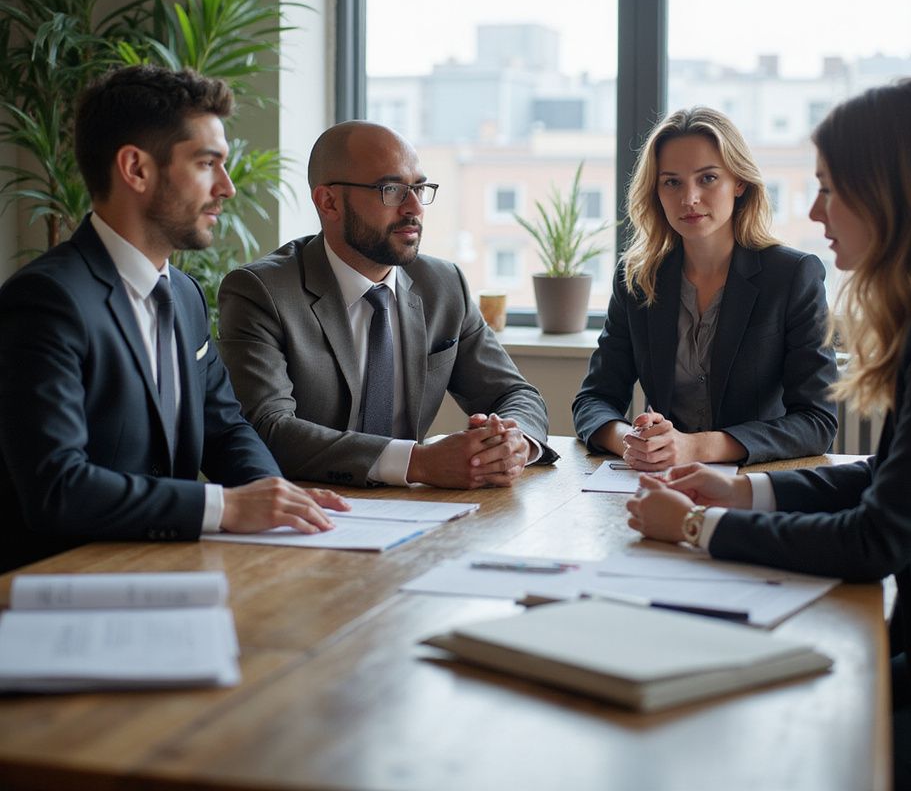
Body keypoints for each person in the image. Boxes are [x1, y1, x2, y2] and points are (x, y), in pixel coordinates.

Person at [626, 76, 911, 790]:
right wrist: (745, 492)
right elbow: (889, 471)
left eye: (830, 188)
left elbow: (878, 537)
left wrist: (698, 527)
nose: (815, 210)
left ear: (896, 193)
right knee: (756, 707)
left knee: (783, 758)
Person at [0, 66, 348, 574]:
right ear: (136, 169)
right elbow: (58, 487)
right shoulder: (46, 300)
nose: (227, 188)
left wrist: (275, 498)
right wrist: (225, 507)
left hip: (170, 568)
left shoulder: (183, 294)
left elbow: (224, 428)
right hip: (64, 585)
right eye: (208, 163)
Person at [217, 120, 556, 490]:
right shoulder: (261, 291)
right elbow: (268, 429)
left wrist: (512, 442)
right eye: (391, 189)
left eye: (419, 188)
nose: (414, 207)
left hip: (413, 514)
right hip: (304, 512)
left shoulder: (443, 285)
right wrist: (419, 463)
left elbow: (514, 394)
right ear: (328, 202)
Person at [573, 107, 836, 468]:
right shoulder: (636, 279)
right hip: (662, 482)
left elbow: (817, 422)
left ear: (739, 182)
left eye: (708, 178)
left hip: (758, 483)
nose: (689, 198)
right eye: (672, 182)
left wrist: (696, 447)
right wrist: (632, 442)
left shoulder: (792, 275)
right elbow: (593, 401)